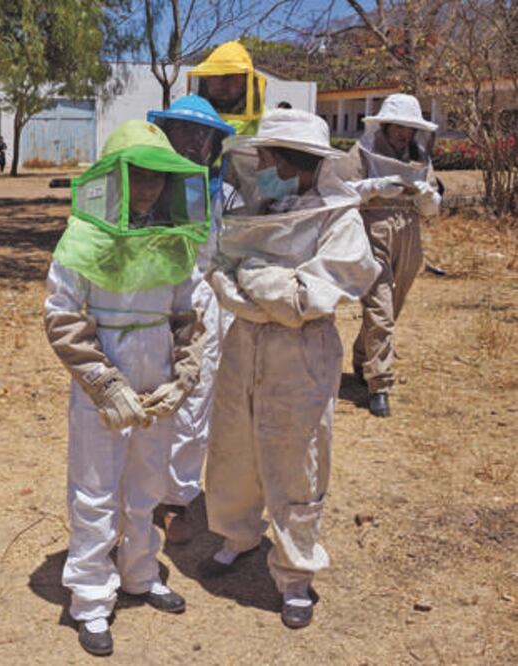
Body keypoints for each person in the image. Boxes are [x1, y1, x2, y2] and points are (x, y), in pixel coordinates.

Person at [201, 110, 381, 629]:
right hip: (245, 341)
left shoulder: (338, 219)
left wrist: (253, 278)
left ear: (289, 161)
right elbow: (220, 271)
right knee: (234, 444)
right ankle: (238, 535)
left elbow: (310, 297)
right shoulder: (260, 207)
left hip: (300, 350)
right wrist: (255, 290)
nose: (258, 166)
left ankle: (296, 574)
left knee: (295, 458)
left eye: (267, 157)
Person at [44, 120, 210, 656]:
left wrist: (182, 378)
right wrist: (103, 383)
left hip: (156, 377)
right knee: (95, 491)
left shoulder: (176, 239)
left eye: (157, 177)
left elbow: (189, 317)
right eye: (137, 175)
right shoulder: (83, 235)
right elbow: (62, 317)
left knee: (147, 485)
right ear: (113, 177)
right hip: (104, 385)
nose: (148, 188)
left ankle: (140, 573)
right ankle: (91, 599)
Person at [146, 95, 235, 542]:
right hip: (147, 297)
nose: (194, 142)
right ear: (167, 133)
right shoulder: (145, 179)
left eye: (204, 134)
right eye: (184, 131)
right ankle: (143, 492)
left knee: (195, 397)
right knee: (147, 391)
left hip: (202, 300)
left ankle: (178, 497)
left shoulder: (225, 188)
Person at [338, 94, 441, 417]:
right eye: (400, 127)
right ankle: (379, 384)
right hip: (372, 228)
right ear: (386, 124)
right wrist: (375, 187)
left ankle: (362, 356)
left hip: (409, 233)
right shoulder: (362, 151)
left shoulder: (419, 155)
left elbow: (433, 206)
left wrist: (427, 196)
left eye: (410, 128)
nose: (404, 134)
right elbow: (341, 190)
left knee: (392, 306)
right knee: (379, 306)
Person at [187, 40, 266, 136]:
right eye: (214, 76)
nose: (220, 84)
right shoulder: (193, 115)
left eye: (229, 76)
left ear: (246, 81)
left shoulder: (267, 121)